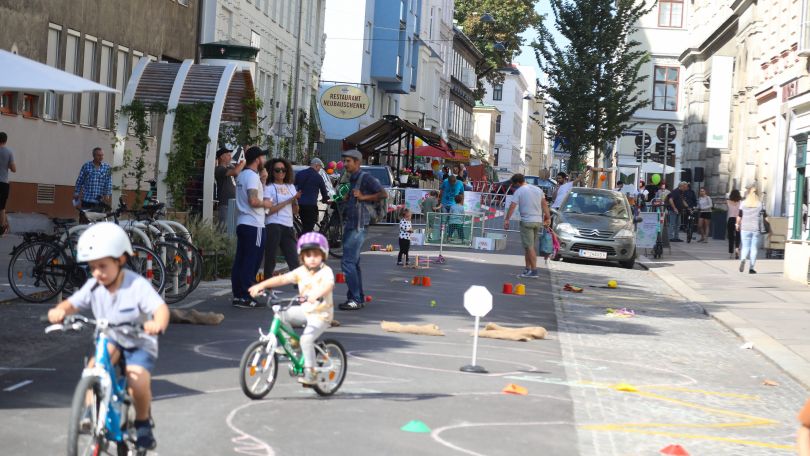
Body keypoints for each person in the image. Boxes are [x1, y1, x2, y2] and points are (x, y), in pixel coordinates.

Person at [47, 223, 169, 451]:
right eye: (92, 267)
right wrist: (60, 310)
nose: (97, 272)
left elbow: (160, 308)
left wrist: (157, 323)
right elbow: (73, 303)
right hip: (111, 338)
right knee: (93, 369)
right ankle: (89, 413)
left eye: (102, 266)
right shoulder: (94, 285)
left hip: (139, 341)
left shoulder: (137, 285)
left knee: (137, 382)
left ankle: (143, 422)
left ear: (120, 259)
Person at [249, 232, 334, 385]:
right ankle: (292, 344)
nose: (312, 258)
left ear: (323, 255)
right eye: (308, 255)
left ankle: (311, 373)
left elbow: (329, 285)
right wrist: (261, 285)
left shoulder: (325, 271)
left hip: (321, 315)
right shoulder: (301, 271)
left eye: (316, 255)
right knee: (281, 315)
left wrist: (316, 294)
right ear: (302, 257)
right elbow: (282, 279)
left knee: (306, 339)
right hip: (305, 311)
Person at [339, 149, 387, 311]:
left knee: (347, 262)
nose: (345, 164)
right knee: (353, 263)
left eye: (348, 161)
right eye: (344, 161)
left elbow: (383, 194)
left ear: (357, 162)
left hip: (359, 225)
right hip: (351, 223)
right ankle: (358, 296)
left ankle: (355, 299)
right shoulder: (352, 178)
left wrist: (363, 197)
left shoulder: (365, 177)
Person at [231, 146, 273, 308]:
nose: (265, 161)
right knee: (252, 261)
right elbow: (253, 200)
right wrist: (266, 203)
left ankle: (238, 294)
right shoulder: (252, 177)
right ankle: (246, 295)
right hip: (254, 224)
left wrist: (263, 181)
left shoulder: (243, 175)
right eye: (263, 157)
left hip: (243, 222)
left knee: (241, 260)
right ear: (257, 159)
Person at [504, 173, 550, 279]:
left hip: (527, 221)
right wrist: (548, 217)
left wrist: (507, 219)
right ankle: (527, 269)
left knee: (529, 247)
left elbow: (512, 206)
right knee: (529, 247)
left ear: (517, 183)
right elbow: (544, 204)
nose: (514, 187)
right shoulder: (538, 189)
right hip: (538, 221)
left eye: (514, 185)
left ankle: (534, 271)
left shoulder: (519, 191)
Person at [263, 157, 301, 283]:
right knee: (271, 257)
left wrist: (295, 202)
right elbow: (268, 211)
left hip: (288, 225)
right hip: (273, 224)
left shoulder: (291, 187)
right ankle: (268, 283)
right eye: (277, 170)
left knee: (293, 258)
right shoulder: (268, 188)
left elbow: (295, 211)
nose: (281, 173)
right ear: (271, 171)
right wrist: (288, 201)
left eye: (283, 170)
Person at [737, 184, 767, 274]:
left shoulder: (743, 203)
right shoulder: (760, 204)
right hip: (756, 228)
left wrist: (737, 224)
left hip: (745, 227)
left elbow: (739, 216)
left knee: (745, 246)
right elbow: (764, 216)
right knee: (754, 248)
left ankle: (743, 259)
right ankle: (751, 268)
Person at [295, 157, 330, 234]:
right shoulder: (318, 177)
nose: (319, 169)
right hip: (311, 206)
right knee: (309, 227)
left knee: (304, 224)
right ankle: (302, 239)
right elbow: (324, 192)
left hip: (299, 205)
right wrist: (325, 199)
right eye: (319, 167)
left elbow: (293, 186)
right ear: (316, 165)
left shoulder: (300, 174)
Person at [214, 146, 246, 227]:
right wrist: (243, 163)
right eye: (228, 155)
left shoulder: (229, 167)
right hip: (225, 204)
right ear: (222, 157)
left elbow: (238, 172)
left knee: (232, 228)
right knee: (224, 228)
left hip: (233, 203)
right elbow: (235, 172)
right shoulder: (219, 169)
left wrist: (239, 165)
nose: (230, 157)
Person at [74, 147, 112, 212]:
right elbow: (79, 181)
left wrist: (107, 194)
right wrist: (76, 193)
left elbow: (108, 183)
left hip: (99, 201)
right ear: (94, 156)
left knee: (98, 218)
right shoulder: (86, 166)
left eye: (102, 155)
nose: (101, 157)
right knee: (85, 218)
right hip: (87, 200)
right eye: (99, 155)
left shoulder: (107, 167)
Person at [0, 132, 16, 235]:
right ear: (5, 140)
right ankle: (2, 229)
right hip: (3, 183)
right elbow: (14, 169)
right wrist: (7, 165)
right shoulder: (9, 152)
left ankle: (4, 226)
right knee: (2, 207)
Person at [726, 189, 743, 259]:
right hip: (738, 220)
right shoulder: (741, 202)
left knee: (731, 237)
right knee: (738, 236)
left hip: (731, 219)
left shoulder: (728, 201)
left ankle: (730, 253)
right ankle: (737, 250)